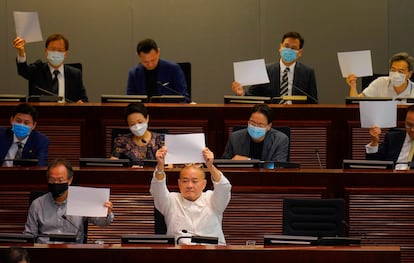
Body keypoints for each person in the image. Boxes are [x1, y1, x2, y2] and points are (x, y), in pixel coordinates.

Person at [150, 147, 231, 245]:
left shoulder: (212, 199)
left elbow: (224, 187)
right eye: (185, 181)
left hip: (213, 253)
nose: (189, 186)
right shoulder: (171, 200)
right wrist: (160, 165)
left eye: (194, 181)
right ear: (179, 183)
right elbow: (157, 188)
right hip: (180, 254)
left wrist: (210, 165)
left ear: (204, 184)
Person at [24, 159, 114, 243]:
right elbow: (29, 235)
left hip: (73, 253)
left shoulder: (80, 201)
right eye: (52, 180)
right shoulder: (37, 204)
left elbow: (102, 222)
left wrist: (106, 213)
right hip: (45, 252)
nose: (55, 183)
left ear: (70, 180)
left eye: (60, 180)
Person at [231, 31, 318, 104]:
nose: (289, 50)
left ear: (299, 52)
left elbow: (313, 102)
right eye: (286, 46)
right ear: (280, 47)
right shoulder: (266, 70)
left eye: (293, 48)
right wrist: (241, 94)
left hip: (297, 118)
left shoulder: (307, 72)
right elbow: (252, 96)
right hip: (270, 117)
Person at [13, 33, 88, 103]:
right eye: (52, 49)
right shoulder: (38, 69)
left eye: (60, 50)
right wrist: (21, 51)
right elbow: (23, 71)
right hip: (42, 114)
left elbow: (84, 100)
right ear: (46, 51)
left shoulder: (75, 74)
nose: (56, 53)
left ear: (65, 54)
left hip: (67, 115)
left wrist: (81, 104)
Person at [126, 38, 190, 102]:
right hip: (143, 111)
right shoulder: (134, 74)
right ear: (138, 56)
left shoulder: (173, 69)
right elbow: (131, 101)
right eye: (145, 62)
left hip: (168, 110)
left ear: (158, 52)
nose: (150, 64)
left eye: (153, 60)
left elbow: (184, 98)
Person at [222, 104, 289, 162]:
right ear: (248, 122)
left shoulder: (280, 140)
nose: (255, 127)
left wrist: (249, 161)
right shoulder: (235, 138)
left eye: (260, 125)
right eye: (252, 123)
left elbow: (278, 166)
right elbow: (225, 163)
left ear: (269, 126)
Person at [365, 105, 414, 170]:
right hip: (390, 177)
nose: (412, 130)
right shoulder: (393, 138)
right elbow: (373, 164)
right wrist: (374, 142)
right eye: (409, 125)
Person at [347, 52, 414, 99]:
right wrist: (353, 86)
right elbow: (356, 102)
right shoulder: (380, 82)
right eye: (393, 70)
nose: (396, 74)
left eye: (400, 71)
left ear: (409, 74)